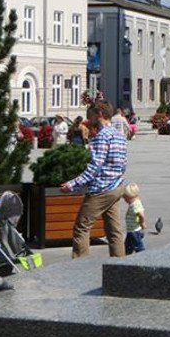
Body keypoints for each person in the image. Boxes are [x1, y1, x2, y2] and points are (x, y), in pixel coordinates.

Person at [61, 101, 128, 259]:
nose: (88, 120)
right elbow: (123, 165)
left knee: (81, 227)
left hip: (101, 189)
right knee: (114, 231)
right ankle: (120, 266)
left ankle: (80, 266)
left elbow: (94, 168)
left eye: (90, 116)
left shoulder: (101, 137)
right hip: (116, 187)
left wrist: (72, 184)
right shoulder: (119, 135)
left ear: (99, 114)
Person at [123, 182, 146, 255]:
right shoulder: (136, 202)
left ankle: (142, 257)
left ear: (130, 197)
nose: (125, 200)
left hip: (134, 231)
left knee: (138, 246)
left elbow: (141, 214)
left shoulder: (135, 205)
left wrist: (142, 223)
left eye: (125, 198)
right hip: (131, 230)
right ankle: (126, 256)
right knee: (127, 247)